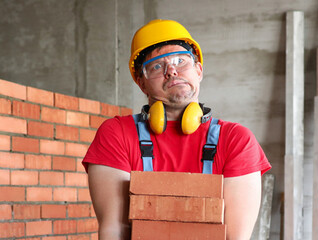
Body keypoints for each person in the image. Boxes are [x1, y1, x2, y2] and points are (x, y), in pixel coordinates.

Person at [83, 19, 271, 240]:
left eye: (181, 61)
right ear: (142, 84)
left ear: (199, 70)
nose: (171, 71)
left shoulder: (236, 140)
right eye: (156, 66)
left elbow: (235, 236)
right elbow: (114, 231)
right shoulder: (117, 134)